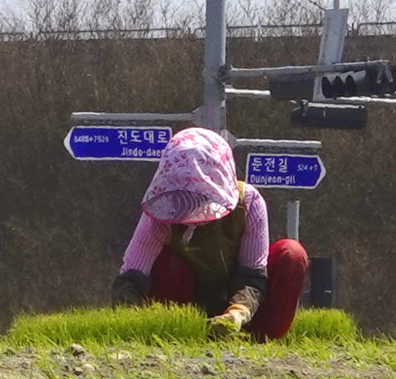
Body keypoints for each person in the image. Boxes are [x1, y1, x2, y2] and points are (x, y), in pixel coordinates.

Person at [111, 125, 308, 341]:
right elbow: (132, 277)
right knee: (168, 264)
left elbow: (252, 277)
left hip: (246, 311)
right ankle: (177, 335)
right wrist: (129, 321)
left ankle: (260, 339)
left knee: (291, 253)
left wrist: (236, 313)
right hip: (184, 309)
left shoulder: (249, 203)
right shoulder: (160, 212)